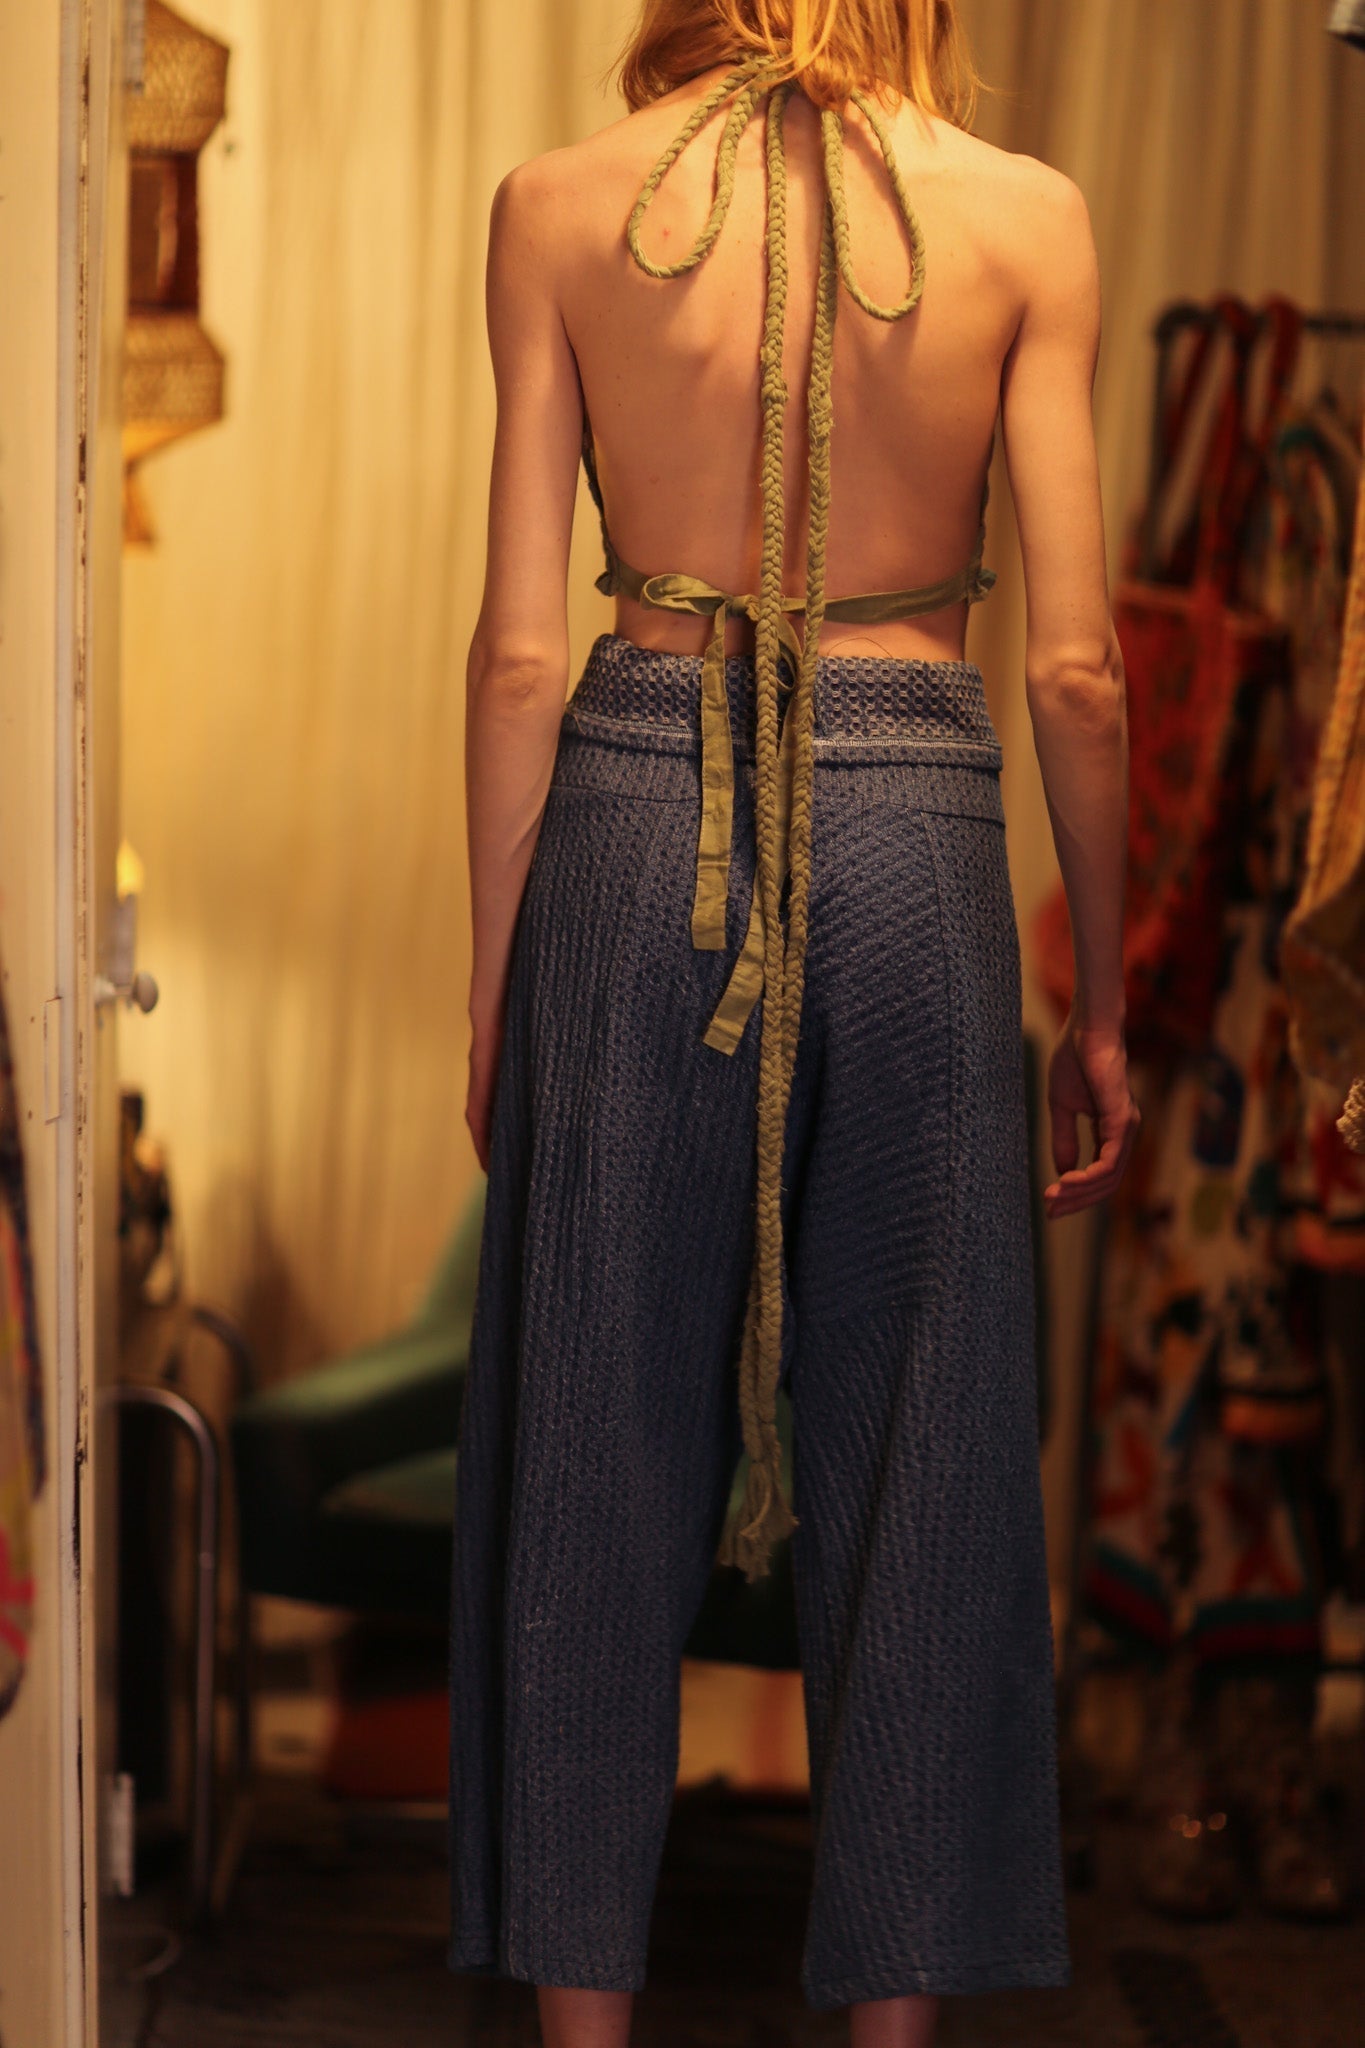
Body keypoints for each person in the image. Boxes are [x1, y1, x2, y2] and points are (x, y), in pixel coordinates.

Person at [449, 4, 1139, 2043]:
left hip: (631, 809)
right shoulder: (1023, 218)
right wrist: (1102, 1001)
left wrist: (495, 980)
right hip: (915, 818)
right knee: (925, 1453)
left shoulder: (556, 207)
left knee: (587, 1447)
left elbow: (514, 655)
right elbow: (1079, 673)